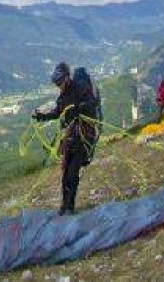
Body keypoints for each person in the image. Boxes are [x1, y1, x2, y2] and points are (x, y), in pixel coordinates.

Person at [32, 62, 100, 216]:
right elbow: (57, 113)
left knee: (72, 172)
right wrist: (41, 116)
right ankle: (64, 206)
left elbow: (92, 103)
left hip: (84, 136)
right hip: (69, 138)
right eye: (56, 84)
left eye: (60, 83)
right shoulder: (63, 97)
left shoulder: (81, 88)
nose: (58, 86)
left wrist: (79, 107)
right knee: (65, 175)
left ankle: (70, 206)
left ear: (67, 78)